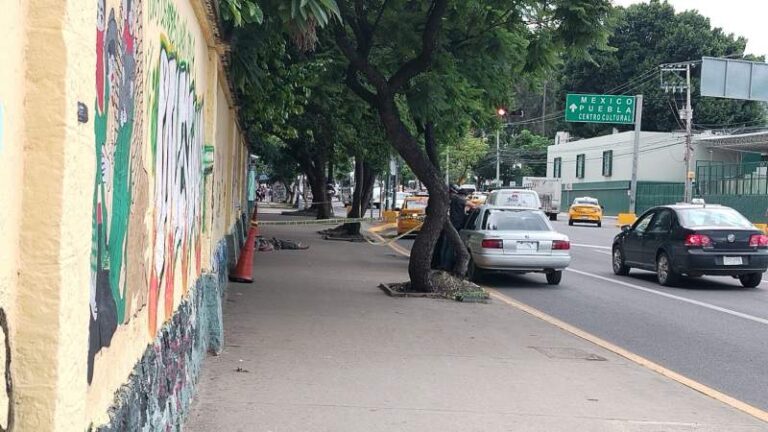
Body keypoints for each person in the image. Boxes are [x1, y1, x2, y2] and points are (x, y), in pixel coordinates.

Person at [433, 184, 476, 271]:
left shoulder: (453, 199)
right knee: (450, 247)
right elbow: (472, 205)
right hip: (455, 226)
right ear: (463, 195)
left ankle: (442, 264)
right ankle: (446, 266)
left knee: (445, 246)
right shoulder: (459, 199)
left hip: (450, 224)